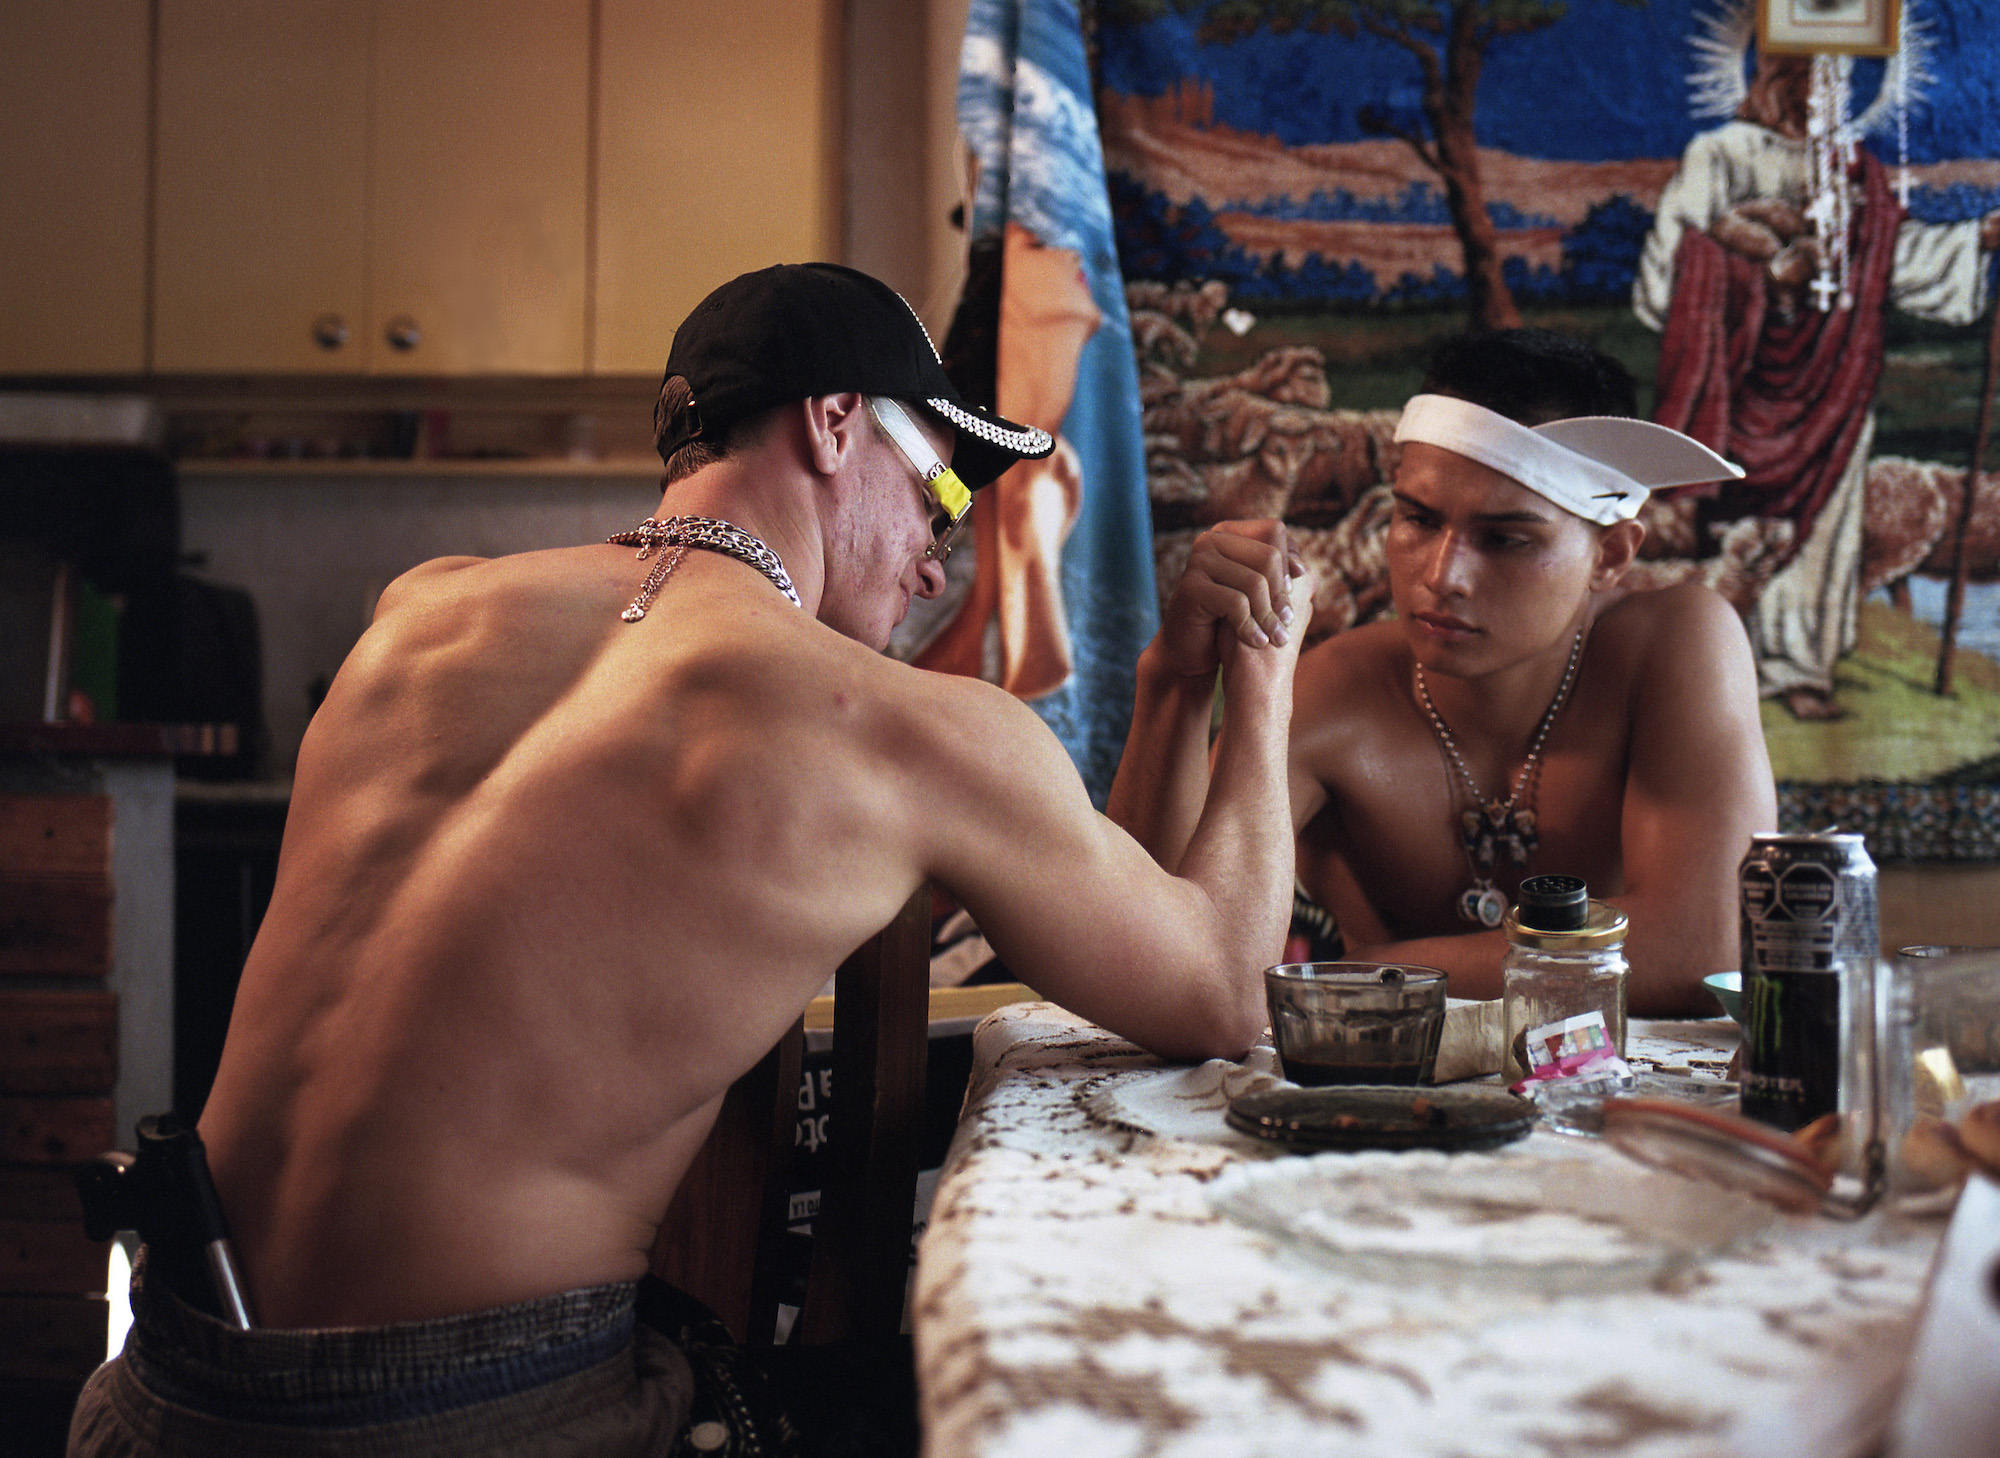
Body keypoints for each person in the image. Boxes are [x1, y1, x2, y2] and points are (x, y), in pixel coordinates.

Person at [69, 263, 1311, 1457]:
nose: (940, 559)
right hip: (473, 1417)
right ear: (834, 424)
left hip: (156, 1385)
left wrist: (1162, 685)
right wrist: (1256, 680)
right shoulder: (890, 728)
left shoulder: (420, 614)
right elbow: (1221, 991)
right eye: (938, 493)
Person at [1109, 329, 1776, 1016]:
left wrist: (1364, 973)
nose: (1442, 575)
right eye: (1418, 519)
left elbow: (1704, 950)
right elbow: (1151, 941)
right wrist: (1176, 681)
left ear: (1610, 555)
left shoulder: (1672, 645)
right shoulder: (1334, 697)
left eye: (1505, 539)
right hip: (1368, 1102)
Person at [1634, 48, 2000, 720]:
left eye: (1842, 83)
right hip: (1740, 379)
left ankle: (1801, 669)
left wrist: (1975, 238)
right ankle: (1711, 665)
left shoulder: (1858, 169)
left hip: (1835, 381)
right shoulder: (1721, 153)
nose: (1831, 96)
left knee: (1827, 527)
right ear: (1779, 79)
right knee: (1731, 527)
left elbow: (1894, 255)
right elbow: (1674, 259)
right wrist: (1757, 273)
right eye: (1816, 80)